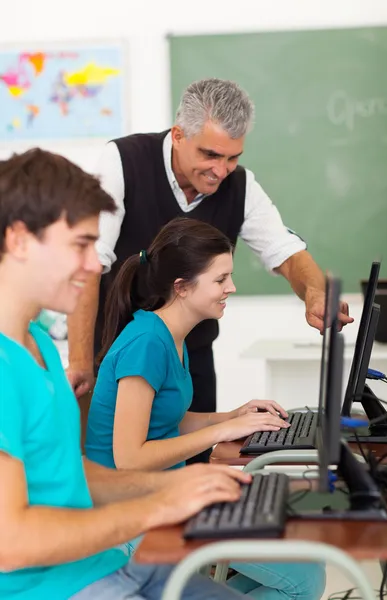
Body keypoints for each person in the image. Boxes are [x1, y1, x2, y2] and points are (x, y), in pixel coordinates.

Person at [0, 148, 255, 600]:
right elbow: (10, 543)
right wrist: (155, 507)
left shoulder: (35, 342)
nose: (97, 264)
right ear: (19, 240)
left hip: (103, 564)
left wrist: (177, 484)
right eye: (79, 245)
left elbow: (73, 474)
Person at [66, 78, 353, 464]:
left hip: (186, 347)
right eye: (211, 155)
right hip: (120, 347)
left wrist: (315, 294)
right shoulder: (123, 161)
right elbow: (89, 264)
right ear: (179, 134)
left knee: (195, 461)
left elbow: (287, 253)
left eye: (233, 158)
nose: (222, 170)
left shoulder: (241, 185)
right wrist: (81, 361)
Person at [85, 217, 326, 600]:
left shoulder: (168, 336)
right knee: (304, 581)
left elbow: (166, 422)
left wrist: (231, 416)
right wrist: (217, 433)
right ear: (182, 287)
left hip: (166, 495)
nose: (231, 288)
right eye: (220, 279)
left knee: (306, 571)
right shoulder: (146, 343)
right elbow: (128, 457)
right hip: (133, 515)